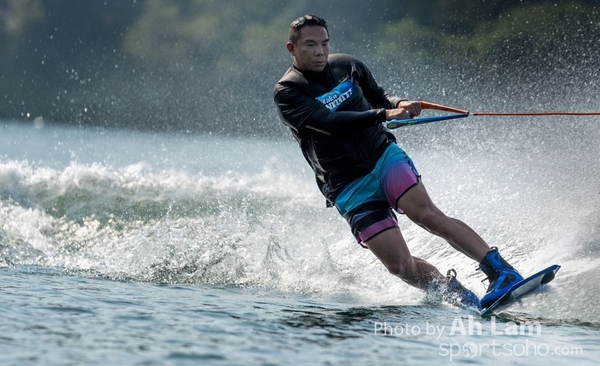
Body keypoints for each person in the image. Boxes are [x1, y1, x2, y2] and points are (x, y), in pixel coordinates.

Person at [273, 14, 523, 309]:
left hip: (382, 157)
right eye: (311, 45)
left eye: (325, 44)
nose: (320, 52)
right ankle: (459, 296)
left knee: (427, 215)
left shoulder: (347, 66)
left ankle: (501, 271)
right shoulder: (287, 92)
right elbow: (328, 122)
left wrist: (398, 104)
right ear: (292, 48)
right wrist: (384, 115)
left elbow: (380, 97)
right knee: (400, 266)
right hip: (347, 185)